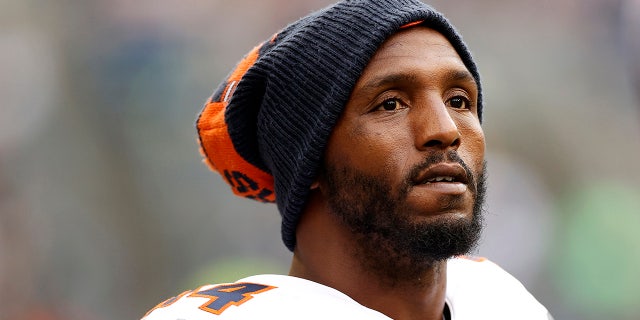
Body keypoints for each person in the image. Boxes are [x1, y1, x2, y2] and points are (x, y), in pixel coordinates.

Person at [142, 0, 552, 319]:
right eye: (390, 103)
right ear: (309, 157)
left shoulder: (502, 300)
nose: (446, 130)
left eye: (459, 100)